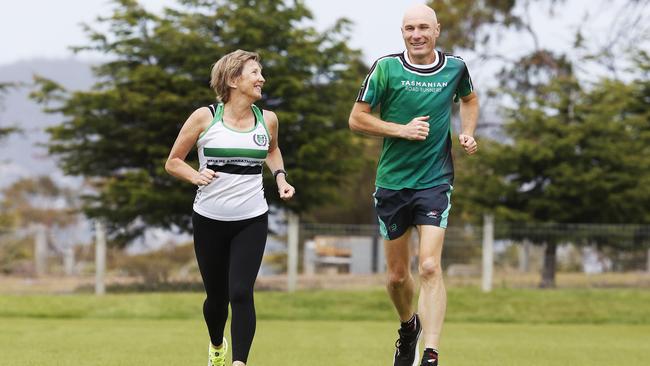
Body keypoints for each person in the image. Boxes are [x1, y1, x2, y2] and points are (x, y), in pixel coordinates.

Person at [348, 4, 479, 366]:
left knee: (430, 267)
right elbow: (357, 119)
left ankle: (431, 353)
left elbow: (469, 99)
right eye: (409, 29)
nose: (416, 34)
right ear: (402, 33)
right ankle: (409, 327)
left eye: (423, 27)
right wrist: (400, 130)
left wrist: (467, 133)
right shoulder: (386, 68)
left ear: (437, 31)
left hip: (434, 182)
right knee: (396, 276)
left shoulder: (455, 68)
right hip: (392, 183)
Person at [165, 49, 295, 366]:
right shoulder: (204, 118)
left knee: (241, 292)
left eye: (260, 72)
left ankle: (239, 362)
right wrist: (196, 176)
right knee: (217, 299)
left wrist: (280, 179)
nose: (261, 78)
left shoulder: (268, 120)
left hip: (251, 219)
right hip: (209, 219)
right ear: (234, 79)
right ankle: (216, 345)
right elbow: (173, 162)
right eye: (254, 73)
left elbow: (272, 151)